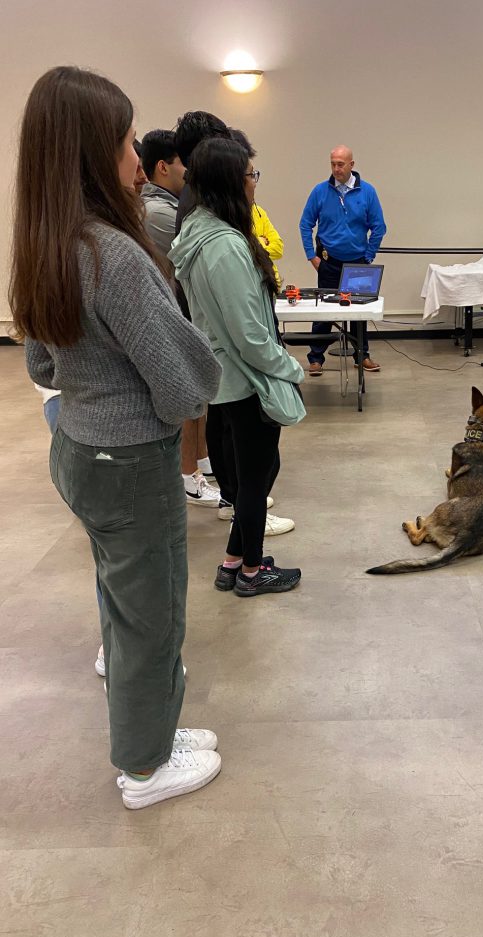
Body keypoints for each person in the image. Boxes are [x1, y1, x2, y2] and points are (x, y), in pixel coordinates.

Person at [13, 66, 223, 809]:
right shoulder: (115, 254)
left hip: (77, 448)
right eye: (128, 140)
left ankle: (154, 732)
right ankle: (144, 765)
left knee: (123, 598)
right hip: (130, 461)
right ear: (91, 151)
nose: (140, 158)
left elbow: (41, 359)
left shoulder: (44, 242)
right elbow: (183, 385)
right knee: (152, 612)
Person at [170, 137, 305, 597]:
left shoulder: (199, 232)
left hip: (222, 381)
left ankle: (234, 561)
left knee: (254, 475)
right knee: (254, 478)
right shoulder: (225, 246)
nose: (255, 183)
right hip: (245, 382)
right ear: (231, 180)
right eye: (251, 174)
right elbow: (249, 334)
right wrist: (290, 367)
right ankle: (251, 572)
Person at [140, 127, 221, 505]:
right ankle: (189, 476)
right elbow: (188, 256)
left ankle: (200, 461)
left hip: (179, 309)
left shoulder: (173, 205)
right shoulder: (158, 210)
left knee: (199, 398)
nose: (187, 172)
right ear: (163, 167)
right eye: (181, 164)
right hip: (172, 313)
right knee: (189, 397)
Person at [299, 144, 386, 375]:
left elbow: (379, 227)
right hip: (328, 262)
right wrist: (311, 256)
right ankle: (316, 358)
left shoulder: (367, 192)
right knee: (323, 312)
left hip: (357, 263)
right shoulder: (320, 191)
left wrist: (368, 256)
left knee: (359, 313)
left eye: (340, 164)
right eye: (333, 164)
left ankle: (361, 356)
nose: (336, 169)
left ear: (352, 165)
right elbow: (305, 224)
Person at [229, 128, 285, 286]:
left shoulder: (259, 212)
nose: (254, 183)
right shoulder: (226, 220)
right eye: (250, 175)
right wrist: (261, 241)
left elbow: (278, 247)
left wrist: (256, 245)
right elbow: (242, 254)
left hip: (269, 285)